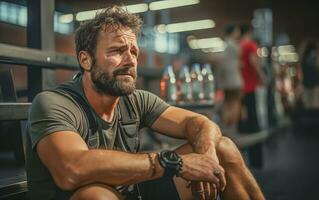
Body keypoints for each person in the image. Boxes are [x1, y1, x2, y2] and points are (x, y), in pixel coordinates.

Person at [25, 5, 265, 200]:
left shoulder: (135, 99)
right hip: (89, 195)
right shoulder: (54, 103)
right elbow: (72, 170)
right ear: (86, 60)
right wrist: (174, 163)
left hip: (131, 191)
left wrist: (207, 155)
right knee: (96, 196)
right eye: (117, 51)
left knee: (224, 148)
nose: (130, 61)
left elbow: (200, 124)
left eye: (134, 52)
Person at [238, 24, 266, 168]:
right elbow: (254, 62)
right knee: (254, 125)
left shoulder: (238, 45)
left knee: (243, 126)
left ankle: (242, 162)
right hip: (250, 89)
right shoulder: (249, 44)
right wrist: (263, 77)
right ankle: (257, 162)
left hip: (239, 90)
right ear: (249, 31)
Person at [216, 24, 243, 136]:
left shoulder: (226, 45)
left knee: (228, 104)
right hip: (234, 80)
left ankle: (227, 128)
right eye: (237, 31)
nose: (238, 33)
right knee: (235, 104)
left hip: (227, 81)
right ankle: (231, 129)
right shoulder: (232, 46)